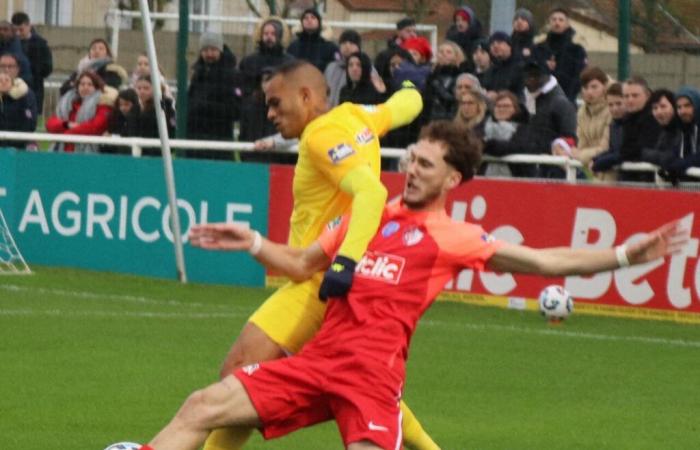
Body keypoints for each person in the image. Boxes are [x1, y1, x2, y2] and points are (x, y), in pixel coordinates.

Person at [136, 120, 687, 450]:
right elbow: (303, 263)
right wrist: (253, 240)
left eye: (425, 163)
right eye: (412, 157)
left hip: (373, 382)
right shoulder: (371, 212)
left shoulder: (455, 237)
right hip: (317, 363)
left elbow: (545, 261)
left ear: (453, 179)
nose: (411, 166)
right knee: (201, 405)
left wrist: (625, 254)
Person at [197, 60, 437, 450]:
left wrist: (345, 261)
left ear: (306, 96)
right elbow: (405, 105)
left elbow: (372, 193)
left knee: (237, 379)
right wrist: (411, 83)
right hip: (348, 285)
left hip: (317, 281)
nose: (270, 114)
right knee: (364, 386)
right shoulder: (359, 116)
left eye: (276, 103)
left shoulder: (320, 135)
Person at [591, 76, 661, 182]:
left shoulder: (654, 119)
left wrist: (602, 161)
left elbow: (632, 151)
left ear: (647, 96)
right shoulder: (627, 120)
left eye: (635, 96)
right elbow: (620, 149)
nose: (630, 100)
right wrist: (597, 158)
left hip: (648, 182)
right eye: (626, 96)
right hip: (629, 180)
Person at [237, 16, 293, 143]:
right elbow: (242, 89)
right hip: (254, 118)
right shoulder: (249, 61)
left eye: (273, 34)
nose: (269, 37)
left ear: (280, 36)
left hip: (280, 116)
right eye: (266, 33)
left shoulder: (290, 63)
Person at [185, 31, 238, 158]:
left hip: (219, 140)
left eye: (213, 49)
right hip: (194, 139)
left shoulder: (230, 75)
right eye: (205, 50)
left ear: (220, 50)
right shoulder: (197, 73)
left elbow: (235, 110)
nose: (209, 54)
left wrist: (204, 107)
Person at [557, 66, 611, 168]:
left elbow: (606, 148)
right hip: (589, 167)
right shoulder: (582, 111)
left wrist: (578, 155)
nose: (589, 92)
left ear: (605, 86)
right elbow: (581, 143)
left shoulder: (612, 110)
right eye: (586, 88)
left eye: (594, 87)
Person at [534, 8, 588, 104]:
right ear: (549, 23)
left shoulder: (576, 51)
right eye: (554, 19)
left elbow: (579, 77)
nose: (557, 22)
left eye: (561, 20)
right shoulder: (539, 49)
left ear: (567, 24)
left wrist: (568, 97)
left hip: (567, 100)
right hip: (541, 102)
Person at [11, 11, 52, 115]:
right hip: (12, 86)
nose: (18, 33)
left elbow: (48, 67)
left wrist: (33, 70)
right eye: (16, 30)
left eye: (21, 29)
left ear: (29, 26)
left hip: (34, 87)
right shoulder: (10, 42)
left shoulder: (41, 44)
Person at [61, 38, 128, 95]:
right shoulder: (81, 68)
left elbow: (104, 88)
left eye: (101, 49)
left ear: (107, 53)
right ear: (89, 53)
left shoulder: (112, 70)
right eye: (93, 48)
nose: (97, 51)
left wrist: (76, 86)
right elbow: (63, 88)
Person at [590, 82, 626, 182]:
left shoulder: (632, 124)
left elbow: (623, 153)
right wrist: (596, 158)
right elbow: (612, 150)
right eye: (610, 105)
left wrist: (598, 163)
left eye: (619, 104)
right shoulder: (613, 125)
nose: (614, 109)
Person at [286, 8, 338, 72]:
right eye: (306, 18)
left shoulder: (330, 47)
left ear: (319, 22)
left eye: (313, 17)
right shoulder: (293, 46)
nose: (309, 20)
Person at [423, 40, 464, 121]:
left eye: (449, 52)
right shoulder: (431, 74)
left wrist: (437, 85)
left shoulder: (460, 76)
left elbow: (453, 100)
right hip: (429, 119)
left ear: (456, 56)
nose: (444, 54)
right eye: (441, 51)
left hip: (448, 120)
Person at [135, 75, 176, 153]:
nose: (142, 91)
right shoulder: (136, 108)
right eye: (139, 88)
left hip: (158, 151)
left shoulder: (165, 106)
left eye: (146, 88)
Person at [375, 17, 417, 89]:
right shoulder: (385, 55)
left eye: (414, 31)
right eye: (408, 31)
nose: (413, 34)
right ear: (398, 32)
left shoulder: (420, 52)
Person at [481, 31, 524, 101]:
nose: (495, 46)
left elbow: (522, 94)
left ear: (509, 46)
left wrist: (498, 96)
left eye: (499, 42)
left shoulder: (521, 68)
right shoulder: (491, 70)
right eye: (492, 44)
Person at [0, 70, 37, 149]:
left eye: (7, 80)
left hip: (20, 144)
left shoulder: (23, 99)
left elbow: (30, 124)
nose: (3, 82)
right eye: (0, 80)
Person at [102, 87, 140, 155]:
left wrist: (112, 137)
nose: (123, 108)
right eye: (120, 104)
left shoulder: (138, 119)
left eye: (126, 104)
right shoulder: (116, 118)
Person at [0, 20, 31, 86]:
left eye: (5, 30)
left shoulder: (18, 52)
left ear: (12, 32)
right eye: (0, 29)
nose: (2, 32)